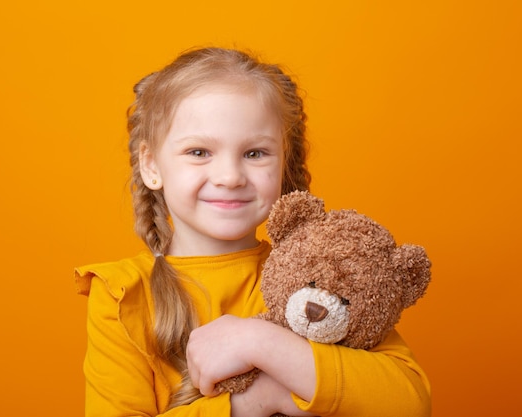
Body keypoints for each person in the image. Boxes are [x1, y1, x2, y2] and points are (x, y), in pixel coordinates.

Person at [75, 47, 431, 417]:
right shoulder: (121, 295)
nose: (229, 177)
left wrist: (260, 342)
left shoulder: (317, 274)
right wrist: (255, 401)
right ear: (152, 165)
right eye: (198, 152)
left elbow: (409, 401)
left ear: (283, 162)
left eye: (255, 153)